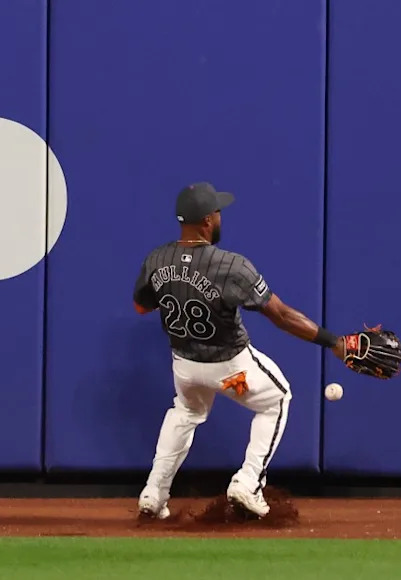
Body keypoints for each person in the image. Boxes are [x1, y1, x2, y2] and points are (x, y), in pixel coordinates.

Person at [132, 182, 345, 519]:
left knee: (185, 413)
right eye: (217, 212)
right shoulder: (231, 265)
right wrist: (334, 342)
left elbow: (141, 307)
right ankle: (248, 482)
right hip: (232, 374)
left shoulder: (157, 259)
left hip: (187, 371)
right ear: (205, 221)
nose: (220, 217)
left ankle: (154, 492)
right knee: (277, 400)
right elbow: (284, 316)